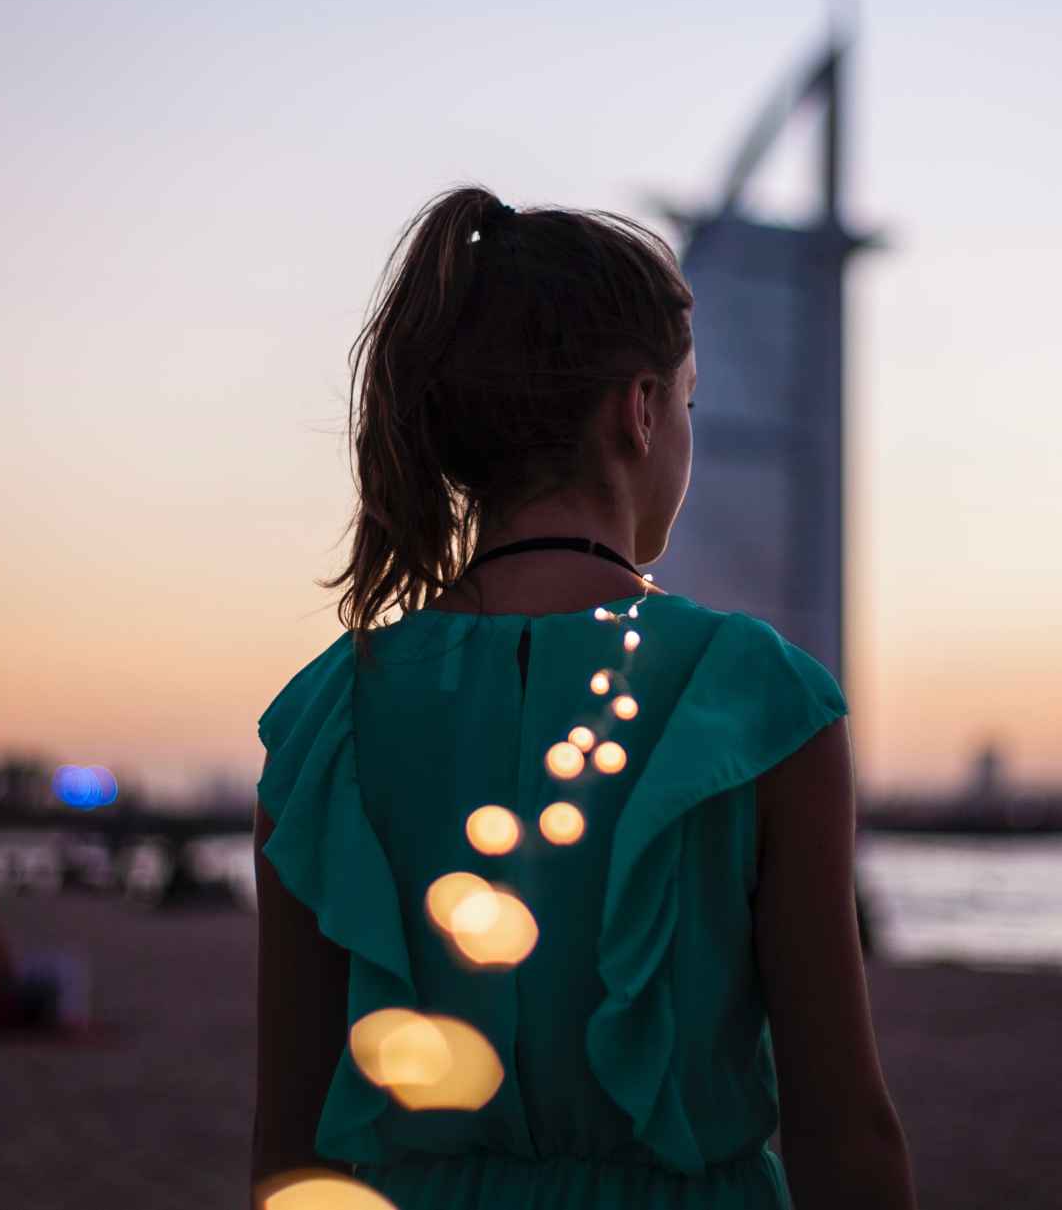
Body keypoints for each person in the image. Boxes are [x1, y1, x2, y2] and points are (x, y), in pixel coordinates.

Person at [251, 189, 914, 1210]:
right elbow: (841, 1125)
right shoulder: (753, 701)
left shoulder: (323, 720)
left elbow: (289, 1142)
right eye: (686, 404)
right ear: (637, 412)